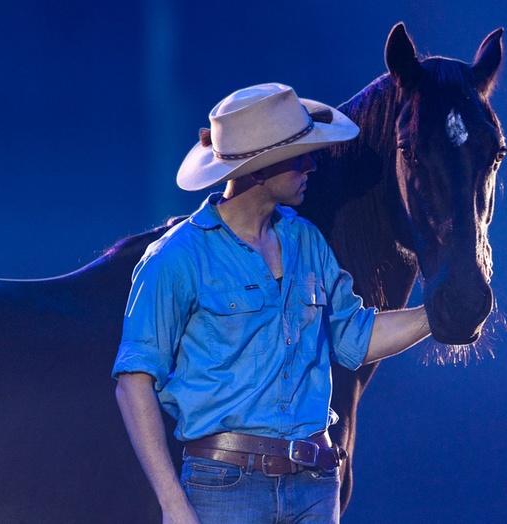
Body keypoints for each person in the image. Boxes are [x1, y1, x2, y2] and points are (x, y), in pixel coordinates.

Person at [112, 83, 430, 524]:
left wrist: (438, 314)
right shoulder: (177, 259)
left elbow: (355, 337)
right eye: (300, 155)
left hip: (315, 484)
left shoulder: (307, 242)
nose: (313, 165)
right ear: (260, 170)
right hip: (224, 491)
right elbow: (134, 383)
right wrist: (172, 504)